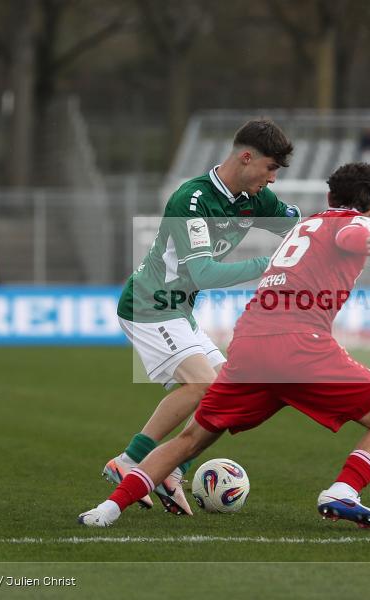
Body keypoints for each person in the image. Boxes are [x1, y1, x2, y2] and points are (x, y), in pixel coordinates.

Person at [78, 163, 370, 529]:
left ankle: (107, 510)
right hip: (300, 346)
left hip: (250, 344)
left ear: (329, 197)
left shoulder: (306, 224)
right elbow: (351, 236)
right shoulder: (358, 224)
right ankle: (343, 491)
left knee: (191, 439)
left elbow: (340, 230)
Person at [106, 119, 301, 514]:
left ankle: (174, 470)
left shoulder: (255, 197)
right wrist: (271, 264)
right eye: (270, 168)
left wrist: (350, 223)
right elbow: (204, 273)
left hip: (179, 309)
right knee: (203, 386)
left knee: (226, 393)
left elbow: (299, 229)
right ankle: (129, 463)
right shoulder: (191, 200)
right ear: (246, 158)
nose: (273, 179)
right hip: (149, 303)